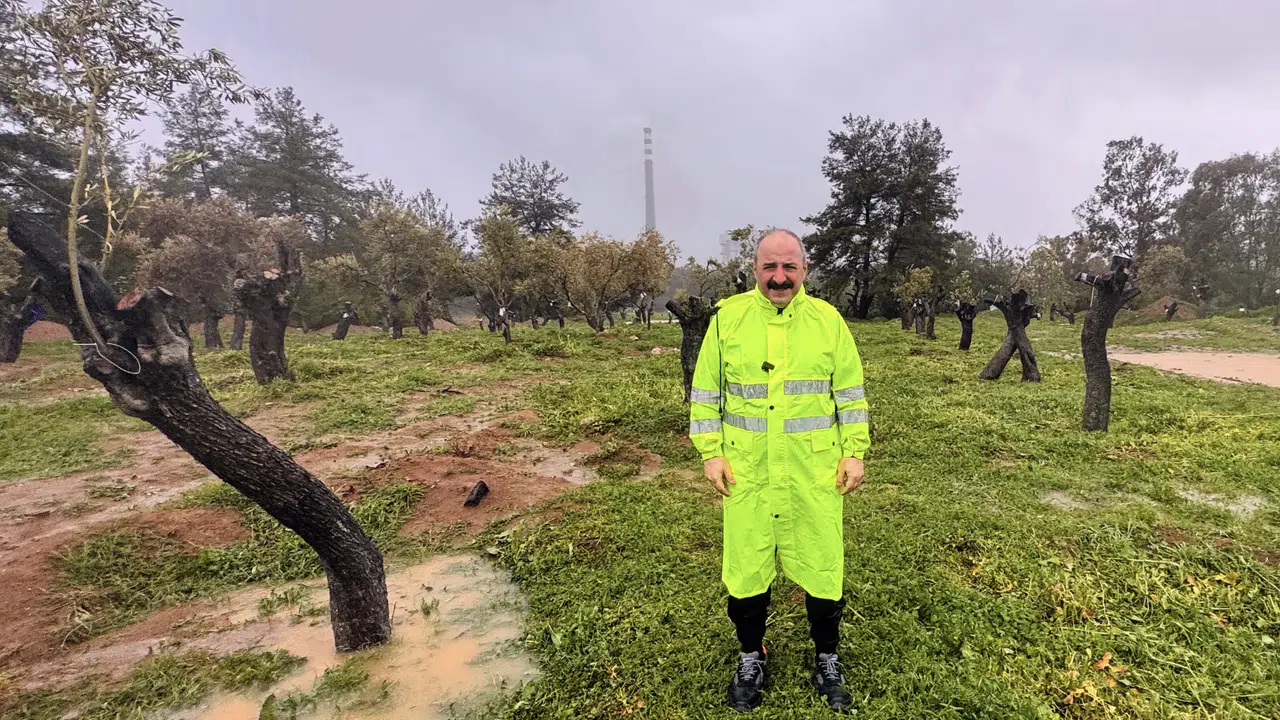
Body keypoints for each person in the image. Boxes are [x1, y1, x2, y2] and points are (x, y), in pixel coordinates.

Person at [688, 229, 870, 713]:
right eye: (770, 267)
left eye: (789, 267)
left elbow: (849, 394)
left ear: (804, 271)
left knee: (822, 569)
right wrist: (711, 452)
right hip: (748, 473)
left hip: (813, 472)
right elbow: (706, 394)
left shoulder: (828, 322)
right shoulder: (728, 320)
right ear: (756, 269)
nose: (779, 277)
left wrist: (855, 451)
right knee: (746, 571)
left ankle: (827, 657)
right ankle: (751, 654)